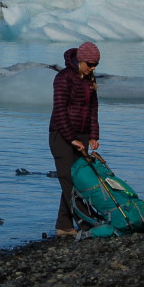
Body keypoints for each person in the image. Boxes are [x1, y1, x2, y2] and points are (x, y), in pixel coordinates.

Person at [48, 41, 101, 238]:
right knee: (69, 181)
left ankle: (63, 226)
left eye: (95, 64)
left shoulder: (89, 80)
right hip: (61, 135)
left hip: (82, 135)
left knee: (78, 179)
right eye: (90, 64)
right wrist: (71, 139)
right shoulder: (63, 78)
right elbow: (60, 111)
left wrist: (94, 135)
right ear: (79, 60)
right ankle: (86, 223)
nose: (93, 68)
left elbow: (93, 110)